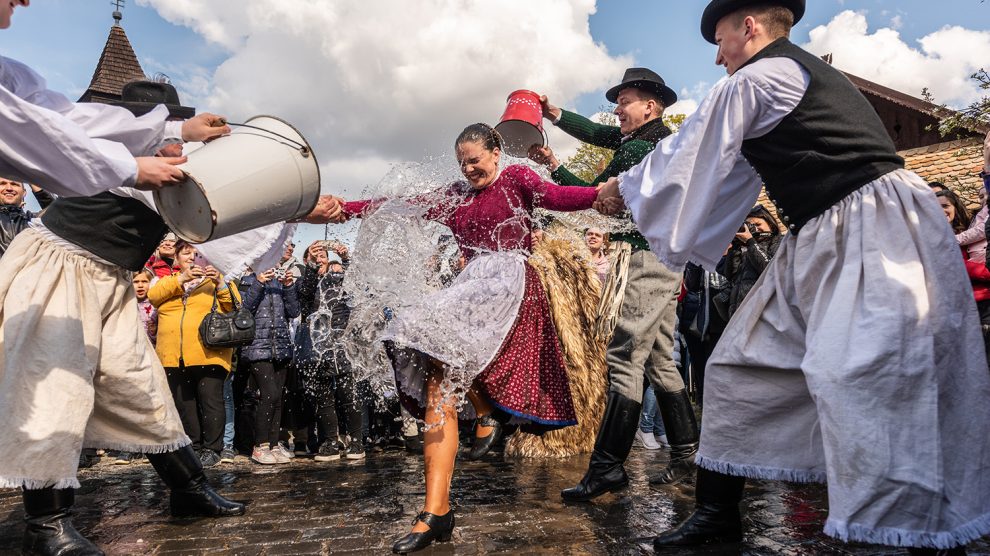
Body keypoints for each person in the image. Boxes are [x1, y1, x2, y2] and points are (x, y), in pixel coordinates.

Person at [595, 1, 990, 553]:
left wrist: (619, 190)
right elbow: (727, 172)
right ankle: (716, 514)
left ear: (748, 27)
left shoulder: (763, 75)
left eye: (721, 40)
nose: (716, 57)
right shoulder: (779, 82)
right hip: (820, 234)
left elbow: (691, 149)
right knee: (739, 365)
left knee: (872, 377)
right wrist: (647, 202)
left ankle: (900, 532)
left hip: (870, 230)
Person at [0, 64, 316, 554]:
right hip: (59, 269)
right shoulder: (109, 157)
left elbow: (214, 213)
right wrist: (292, 206)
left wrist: (290, 203)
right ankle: (46, 525)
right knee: (51, 389)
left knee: (139, 385)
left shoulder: (154, 158)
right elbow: (199, 207)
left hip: (107, 278)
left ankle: (188, 490)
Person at [319, 123, 605, 553]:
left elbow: (558, 197)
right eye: (462, 163)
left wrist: (603, 192)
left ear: (495, 152)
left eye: (475, 160)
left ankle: (485, 411)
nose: (469, 169)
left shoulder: (516, 179)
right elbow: (399, 205)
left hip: (509, 282)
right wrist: (345, 207)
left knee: (422, 332)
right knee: (427, 361)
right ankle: (436, 510)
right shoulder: (455, 195)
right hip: (470, 287)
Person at [530, 68, 700, 498]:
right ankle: (688, 457)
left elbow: (593, 195)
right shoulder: (650, 139)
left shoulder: (638, 148)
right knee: (661, 358)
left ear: (651, 106)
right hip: (661, 257)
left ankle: (607, 467)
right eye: (617, 102)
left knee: (624, 356)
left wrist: (555, 169)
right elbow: (598, 133)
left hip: (644, 258)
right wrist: (555, 114)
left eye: (626, 101)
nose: (618, 110)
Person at [149, 243, 241, 469]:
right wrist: (181, 279)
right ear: (177, 258)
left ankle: (213, 448)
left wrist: (220, 282)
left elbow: (234, 307)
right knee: (184, 404)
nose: (192, 257)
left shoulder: (217, 279)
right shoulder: (169, 280)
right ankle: (195, 447)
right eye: (186, 253)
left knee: (211, 402)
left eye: (197, 253)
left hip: (208, 352)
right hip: (172, 354)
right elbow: (153, 296)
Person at [295, 240, 366, 462]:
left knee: (347, 394)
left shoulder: (338, 280)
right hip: (316, 348)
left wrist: (345, 258)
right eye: (315, 256)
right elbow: (304, 298)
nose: (319, 259)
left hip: (341, 343)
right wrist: (311, 268)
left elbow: (357, 282)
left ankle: (356, 441)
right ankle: (331, 441)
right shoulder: (306, 281)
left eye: (323, 256)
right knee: (323, 397)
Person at [239, 265, 301, 465]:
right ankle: (260, 446)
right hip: (258, 346)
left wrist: (289, 286)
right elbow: (244, 309)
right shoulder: (248, 280)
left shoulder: (280, 283)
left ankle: (273, 445)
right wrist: (258, 282)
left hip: (281, 347)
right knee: (269, 394)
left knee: (278, 397)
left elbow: (294, 311)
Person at [715, 204, 783, 318]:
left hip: (764, 313)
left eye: (758, 224)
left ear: (770, 223)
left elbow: (769, 269)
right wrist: (735, 246)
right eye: (750, 226)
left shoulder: (778, 241)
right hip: (740, 313)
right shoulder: (747, 248)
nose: (755, 229)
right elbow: (730, 274)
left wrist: (751, 242)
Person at [0, 179, 54, 256]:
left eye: (14, 184)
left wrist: (31, 178)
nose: (9, 188)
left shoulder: (35, 220)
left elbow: (58, 211)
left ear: (24, 192)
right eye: (2, 184)